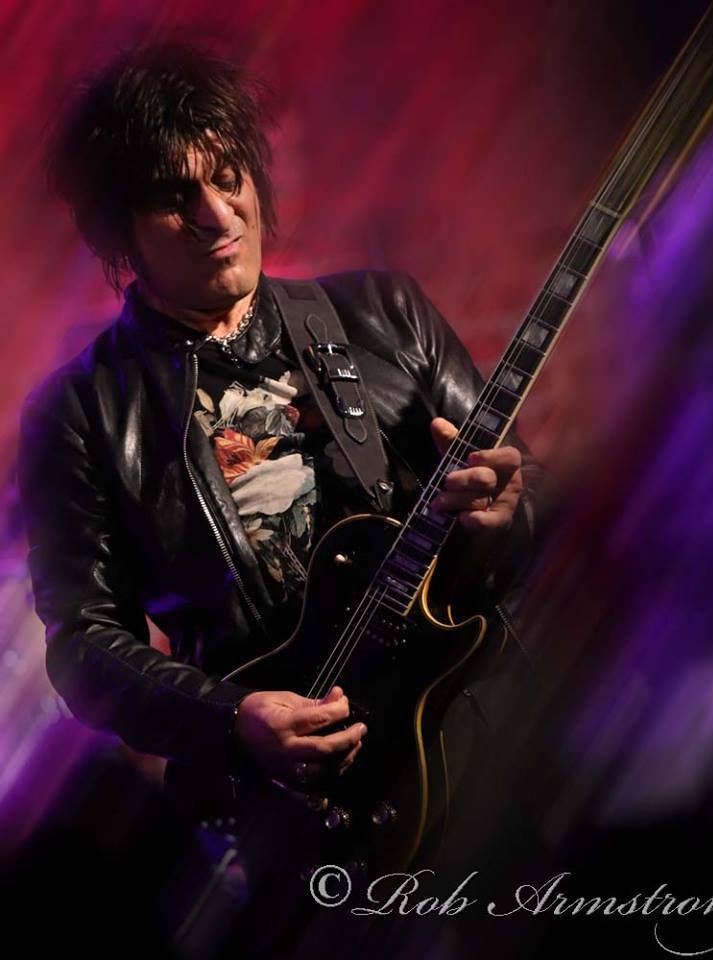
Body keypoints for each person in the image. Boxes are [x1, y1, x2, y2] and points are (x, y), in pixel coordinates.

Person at [17, 41, 544, 952]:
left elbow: (517, 517)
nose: (216, 214)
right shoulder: (80, 413)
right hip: (307, 813)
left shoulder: (384, 312)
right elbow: (84, 644)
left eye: (228, 178)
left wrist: (505, 510)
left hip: (485, 736)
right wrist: (231, 720)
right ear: (119, 232)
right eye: (174, 197)